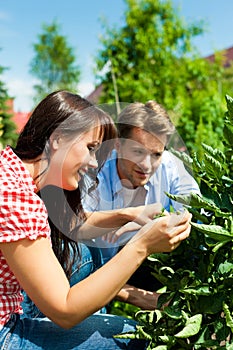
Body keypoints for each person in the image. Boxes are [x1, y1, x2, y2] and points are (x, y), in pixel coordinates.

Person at [0, 90, 192, 349]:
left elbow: (73, 226)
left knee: (89, 256)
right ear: (58, 139)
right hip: (6, 329)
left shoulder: (12, 171)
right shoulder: (17, 199)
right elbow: (65, 310)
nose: (93, 162)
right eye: (90, 149)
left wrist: (127, 214)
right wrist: (142, 245)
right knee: (135, 337)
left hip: (14, 298)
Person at [82, 100, 200, 303]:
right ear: (118, 145)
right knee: (82, 255)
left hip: (145, 259)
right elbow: (76, 224)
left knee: (194, 248)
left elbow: (196, 212)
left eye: (156, 154)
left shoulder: (171, 167)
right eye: (138, 152)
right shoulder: (94, 169)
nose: (146, 165)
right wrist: (123, 216)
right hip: (97, 262)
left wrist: (162, 222)